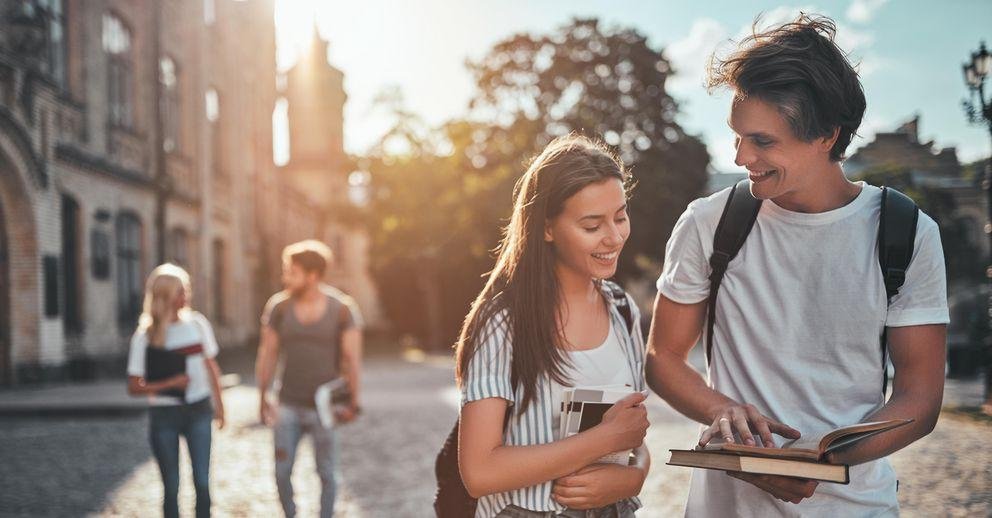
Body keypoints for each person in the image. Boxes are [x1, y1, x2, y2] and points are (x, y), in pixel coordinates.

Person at [646, 14, 949, 517]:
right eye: (737, 135)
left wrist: (825, 457)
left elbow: (920, 399)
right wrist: (722, 410)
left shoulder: (907, 233)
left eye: (763, 141)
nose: (742, 156)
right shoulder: (709, 223)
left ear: (827, 135)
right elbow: (663, 356)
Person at [456, 134, 651, 518]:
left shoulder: (623, 309)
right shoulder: (502, 323)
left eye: (620, 216)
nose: (614, 237)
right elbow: (479, 472)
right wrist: (601, 440)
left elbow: (632, 434)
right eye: (592, 225)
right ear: (546, 228)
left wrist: (635, 475)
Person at [255, 240, 364, 518]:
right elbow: (267, 353)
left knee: (327, 472)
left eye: (292, 272)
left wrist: (353, 400)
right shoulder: (278, 308)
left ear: (312, 275)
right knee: (281, 471)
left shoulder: (342, 309)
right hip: (287, 404)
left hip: (324, 406)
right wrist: (262, 396)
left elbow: (352, 359)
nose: (285, 277)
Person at [126, 263, 226, 518]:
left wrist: (220, 405)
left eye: (186, 291)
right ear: (165, 296)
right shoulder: (144, 337)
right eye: (179, 292)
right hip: (164, 416)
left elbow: (211, 366)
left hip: (199, 409)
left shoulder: (198, 324)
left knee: (202, 482)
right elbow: (134, 387)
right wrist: (169, 384)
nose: (185, 297)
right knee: (171, 487)